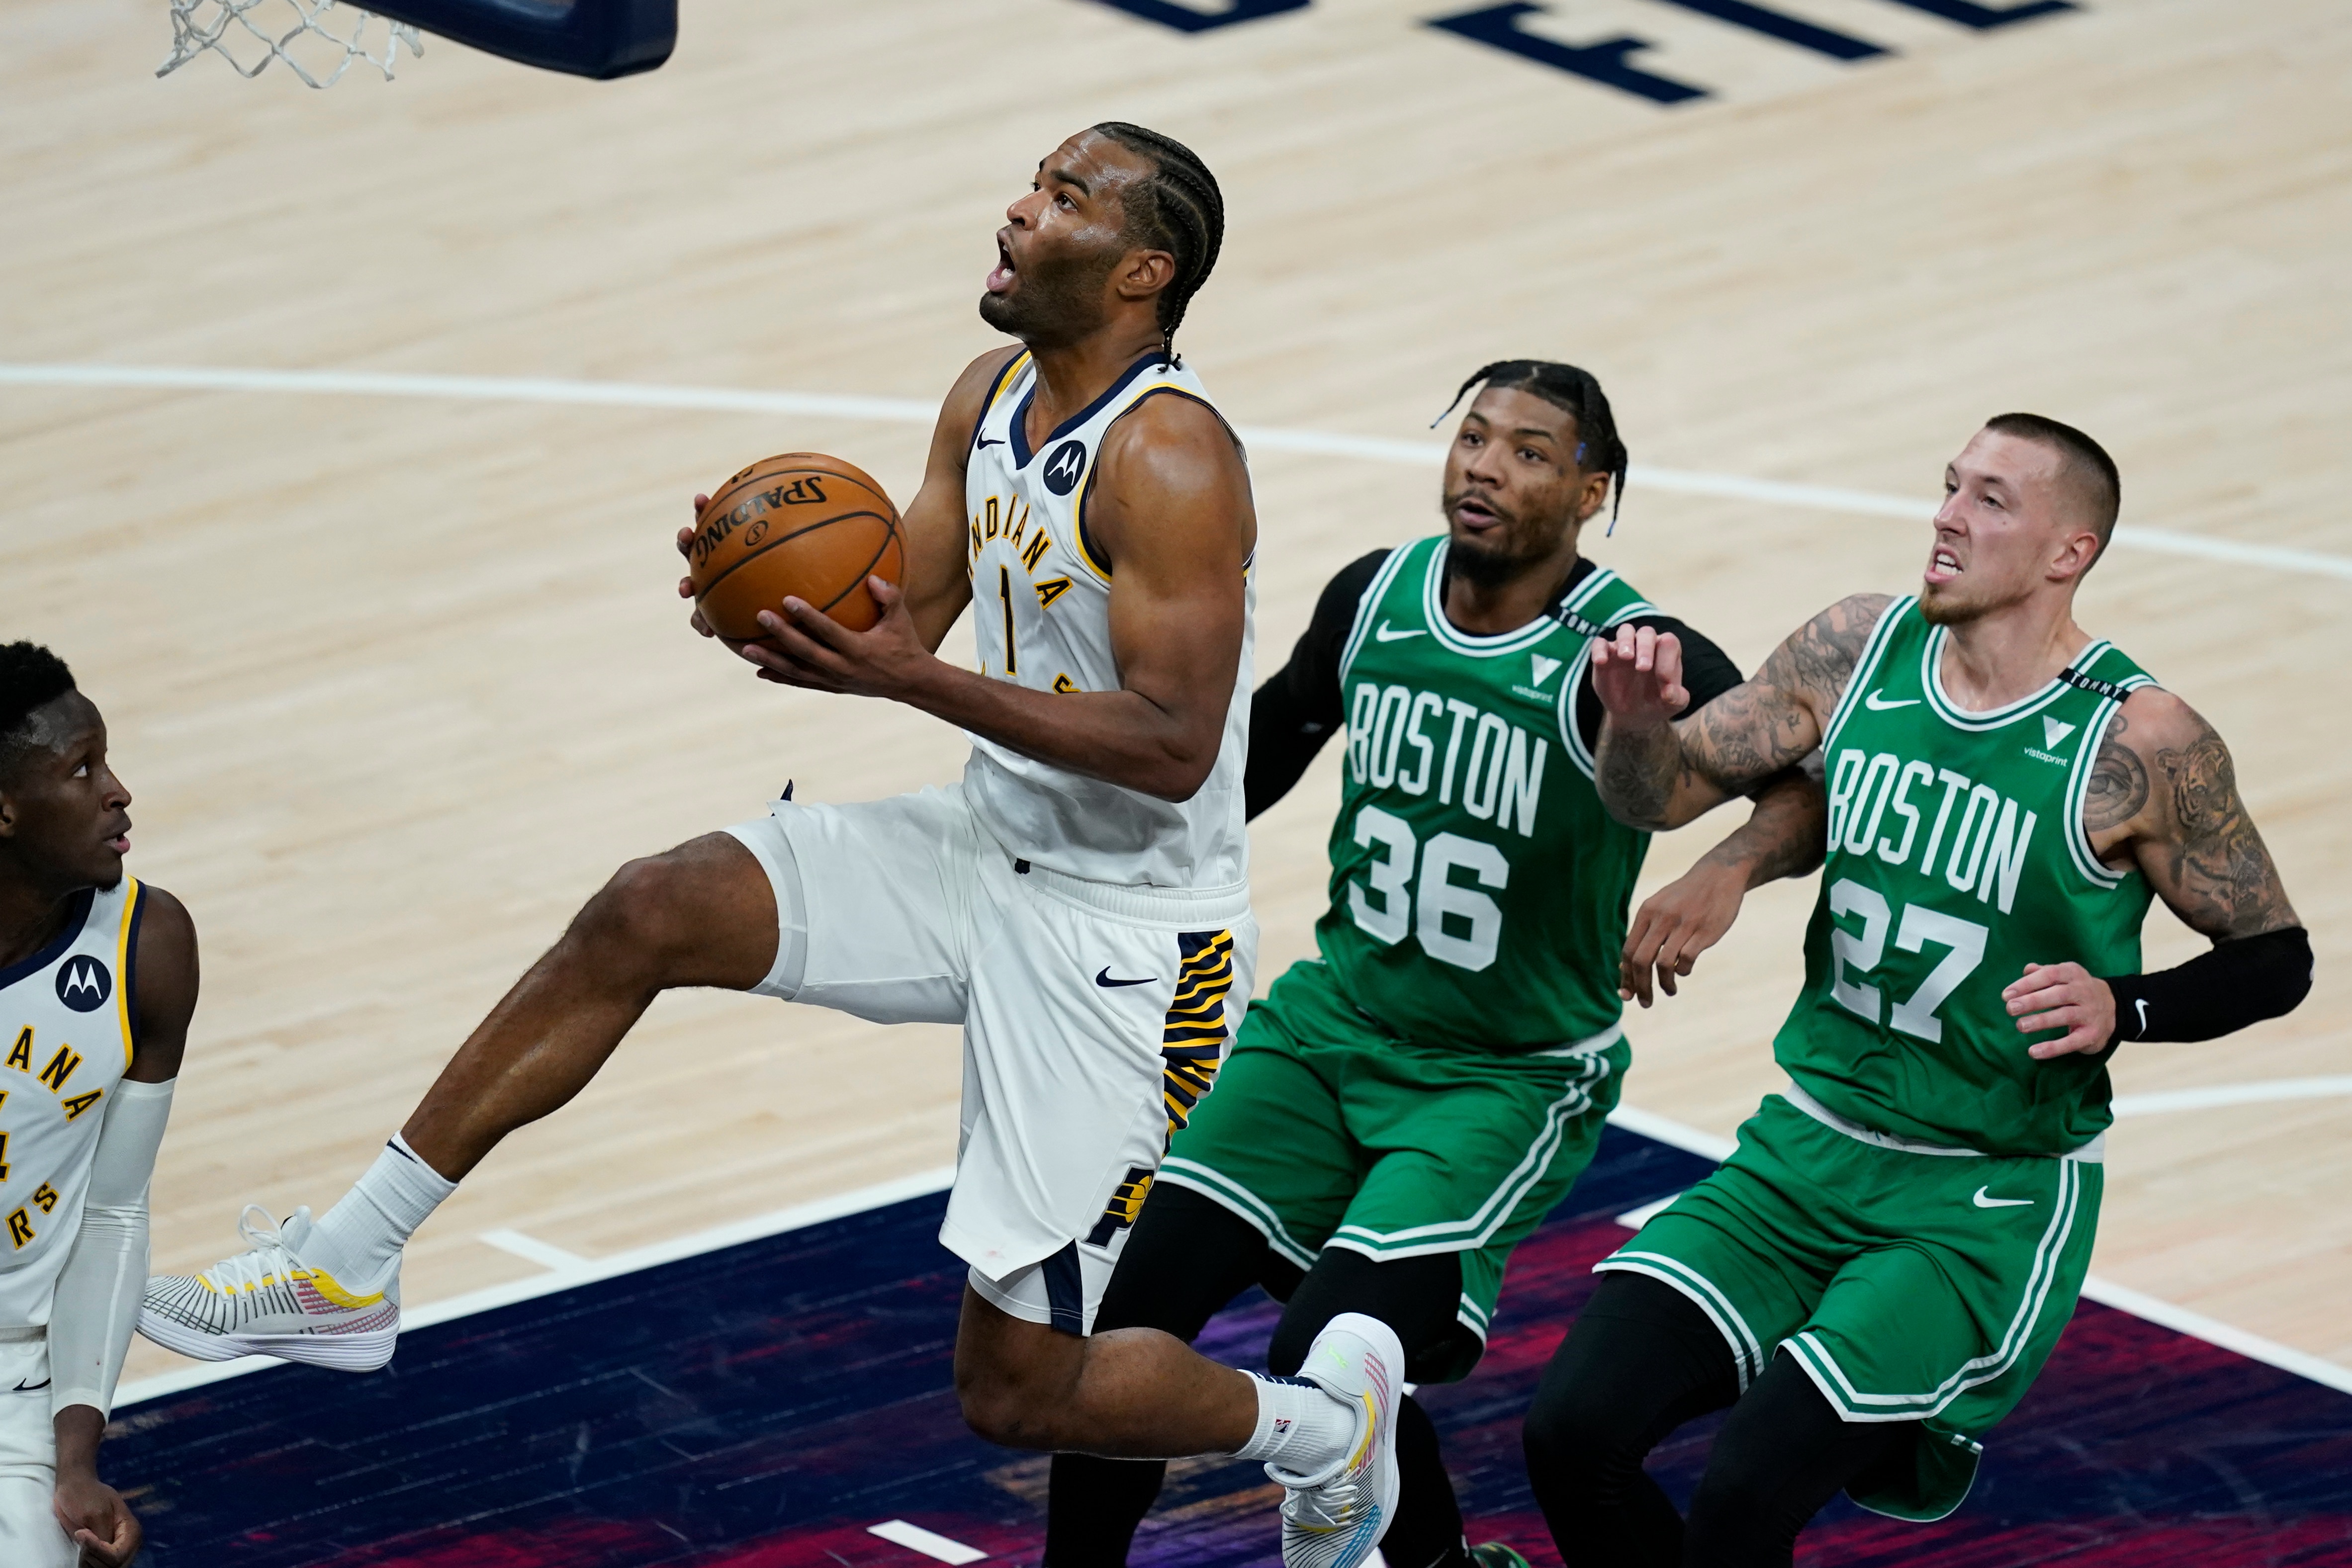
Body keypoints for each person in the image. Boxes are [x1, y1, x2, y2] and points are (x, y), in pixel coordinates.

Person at [143, 125, 1414, 1568]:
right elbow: (893, 624)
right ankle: (344, 1264)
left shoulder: (1170, 457)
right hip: (986, 844)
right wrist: (763, 595)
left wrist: (910, 681)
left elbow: (1177, 741)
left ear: (1143, 270)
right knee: (651, 906)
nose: (1017, 209)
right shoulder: (988, 395)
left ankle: (1322, 1429)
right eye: (1033, 181)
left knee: (1016, 1392)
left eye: (1064, 199)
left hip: (1127, 943)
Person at [1042, 360, 1826, 1568]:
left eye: (1527, 451)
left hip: (1498, 1079)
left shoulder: (1630, 653)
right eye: (1473, 437)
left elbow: (1811, 778)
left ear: (1590, 493)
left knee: (1326, 1352)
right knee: (1122, 1336)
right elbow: (1264, 749)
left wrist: (1721, 870)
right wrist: (1104, 876)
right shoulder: (1377, 594)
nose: (1484, 467)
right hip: (1322, 1033)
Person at [1521, 414, 2315, 1565]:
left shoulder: (2139, 739)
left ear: (2069, 551)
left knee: (1744, 1492)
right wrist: (1638, 730)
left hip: (1973, 1197)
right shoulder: (1854, 646)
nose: (1946, 515)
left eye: (1990, 499)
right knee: (1570, 1430)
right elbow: (1658, 794)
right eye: (1949, 486)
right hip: (1802, 1151)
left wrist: (2124, 1004)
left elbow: (2274, 956)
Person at [0, 643, 196, 1568]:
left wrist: (75, 1459)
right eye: (82, 769)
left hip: (17, 1383)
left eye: (107, 761)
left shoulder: (147, 945)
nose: (119, 793)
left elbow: (113, 1213)